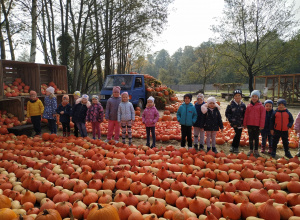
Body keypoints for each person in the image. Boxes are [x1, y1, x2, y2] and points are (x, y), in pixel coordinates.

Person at [243, 90, 266, 157]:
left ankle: (256, 150)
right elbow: (246, 115)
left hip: (257, 125)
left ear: (258, 98)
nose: (254, 98)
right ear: (251, 97)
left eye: (256, 96)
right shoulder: (249, 106)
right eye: (253, 96)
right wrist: (245, 123)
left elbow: (263, 117)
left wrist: (261, 125)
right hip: (250, 124)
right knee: (250, 137)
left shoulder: (261, 106)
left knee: (256, 138)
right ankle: (250, 150)